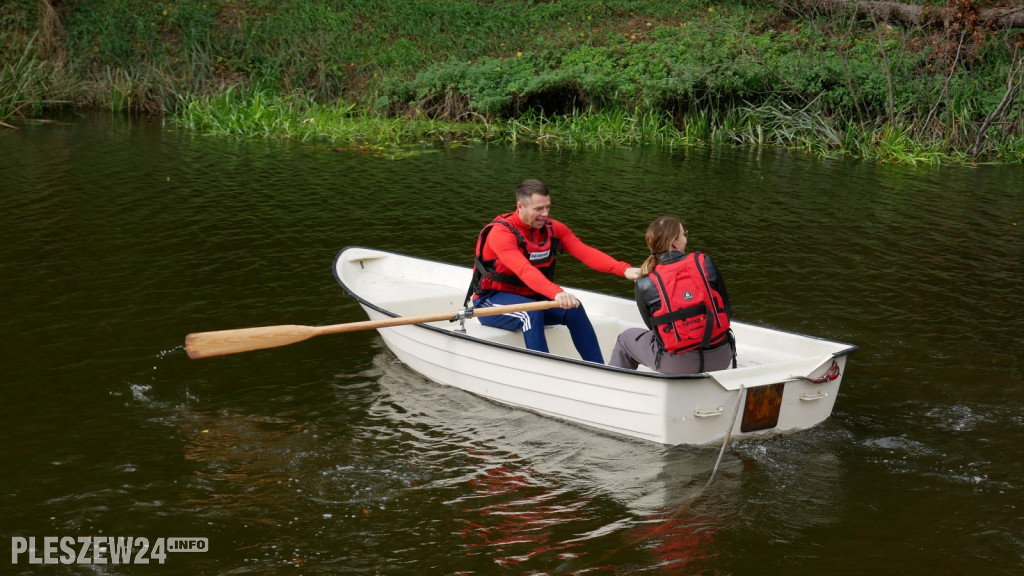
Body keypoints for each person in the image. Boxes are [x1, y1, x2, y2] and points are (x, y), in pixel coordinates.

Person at [466, 179, 640, 363]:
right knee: (530, 313)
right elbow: (524, 270)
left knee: (574, 308)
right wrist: (556, 293)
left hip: (531, 297)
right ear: (520, 206)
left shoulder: (552, 229)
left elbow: (585, 252)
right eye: (538, 209)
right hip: (490, 301)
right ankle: (546, 372)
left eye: (548, 207)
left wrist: (624, 269)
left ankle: (599, 369)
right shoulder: (501, 234)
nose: (545, 214)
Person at [609, 216, 735, 374]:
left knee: (625, 339)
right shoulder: (705, 262)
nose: (686, 239)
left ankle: (614, 393)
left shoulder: (645, 282)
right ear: (674, 242)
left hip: (676, 365)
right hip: (721, 357)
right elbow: (726, 309)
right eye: (684, 234)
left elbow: (654, 328)